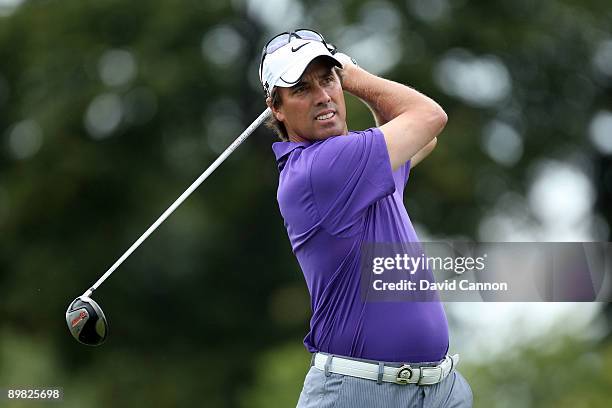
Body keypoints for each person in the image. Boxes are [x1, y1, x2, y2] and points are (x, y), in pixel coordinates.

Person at [259, 29, 473, 407]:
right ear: (276, 108)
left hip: (438, 390)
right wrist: (353, 75)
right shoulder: (321, 169)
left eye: (327, 79)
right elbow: (429, 117)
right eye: (302, 89)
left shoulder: (358, 164)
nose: (323, 96)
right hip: (359, 392)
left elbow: (422, 139)